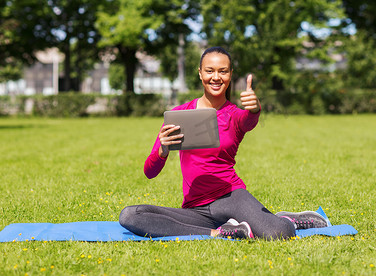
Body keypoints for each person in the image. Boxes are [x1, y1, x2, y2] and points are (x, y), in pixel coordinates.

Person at [119, 46, 327, 240]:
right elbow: (149, 172)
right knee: (130, 216)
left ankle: (288, 220)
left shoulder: (235, 115)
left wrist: (254, 108)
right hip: (195, 208)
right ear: (200, 73)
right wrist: (163, 151)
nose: (216, 77)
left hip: (231, 197)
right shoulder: (178, 115)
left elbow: (249, 120)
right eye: (210, 71)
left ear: (230, 74)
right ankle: (220, 232)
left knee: (278, 233)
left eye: (223, 71)